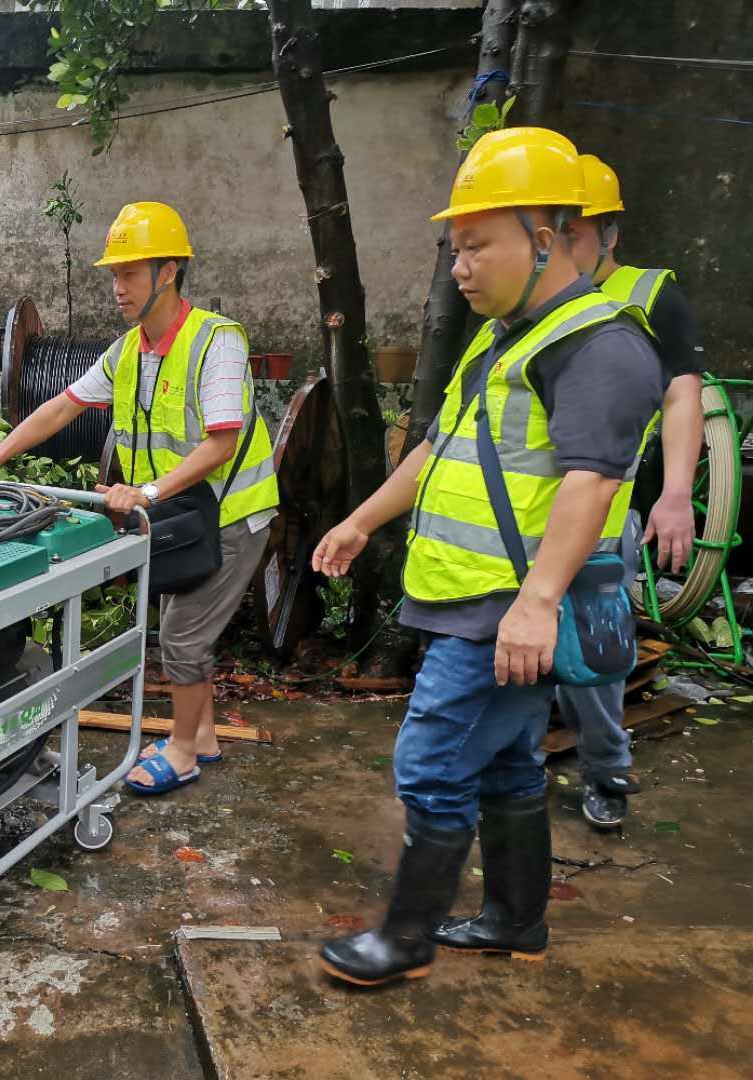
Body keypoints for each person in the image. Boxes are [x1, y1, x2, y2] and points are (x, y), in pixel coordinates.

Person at [312, 128, 664, 986]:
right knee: (506, 763)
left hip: (508, 608)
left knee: (432, 762)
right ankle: (515, 921)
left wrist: (537, 603)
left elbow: (592, 481)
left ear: (543, 240)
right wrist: (361, 520)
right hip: (473, 599)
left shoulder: (598, 343)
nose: (460, 268)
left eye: (477, 246)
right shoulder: (504, 337)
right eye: (456, 249)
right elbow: (439, 448)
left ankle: (404, 940)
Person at [0, 202, 279, 795]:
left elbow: (222, 443)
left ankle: (183, 750)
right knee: (183, 620)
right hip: (181, 512)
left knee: (182, 634)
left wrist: (146, 492)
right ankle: (202, 735)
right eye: (114, 274)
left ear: (168, 272)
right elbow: (61, 408)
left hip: (232, 514)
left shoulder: (218, 342)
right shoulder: (128, 351)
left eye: (129, 273)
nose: (117, 287)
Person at [555, 153, 705, 828]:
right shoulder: (526, 300)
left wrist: (674, 494)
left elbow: (682, 396)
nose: (560, 247)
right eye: (552, 232)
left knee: (594, 655)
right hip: (522, 513)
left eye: (575, 233)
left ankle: (605, 769)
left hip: (604, 508)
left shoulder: (649, 296)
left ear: (609, 233)